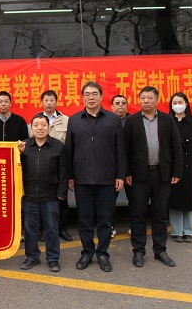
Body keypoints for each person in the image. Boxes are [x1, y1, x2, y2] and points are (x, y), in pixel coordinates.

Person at [66, 81, 125, 272]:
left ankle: (102, 254)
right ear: (82, 97)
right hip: (82, 179)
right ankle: (87, 252)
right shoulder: (74, 120)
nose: (91, 97)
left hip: (107, 178)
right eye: (87, 94)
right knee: (84, 220)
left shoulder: (113, 119)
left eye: (94, 94)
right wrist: (70, 176)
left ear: (101, 96)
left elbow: (120, 149)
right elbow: (70, 150)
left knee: (105, 220)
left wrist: (120, 175)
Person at [124, 86, 182, 268]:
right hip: (138, 176)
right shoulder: (132, 121)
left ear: (157, 100)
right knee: (138, 215)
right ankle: (138, 251)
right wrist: (126, 172)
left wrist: (176, 172)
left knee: (160, 214)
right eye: (143, 98)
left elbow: (176, 146)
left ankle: (160, 250)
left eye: (150, 97)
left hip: (162, 174)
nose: (146, 101)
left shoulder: (167, 120)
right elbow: (125, 150)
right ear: (139, 100)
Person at [18, 114, 69, 272]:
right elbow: (14, 168)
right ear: (31, 128)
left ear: (49, 127)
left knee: (51, 229)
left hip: (51, 196)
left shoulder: (58, 146)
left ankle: (53, 259)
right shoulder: (24, 146)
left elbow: (64, 171)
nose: (39, 128)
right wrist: (18, 154)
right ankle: (32, 256)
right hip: (29, 195)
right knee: (30, 229)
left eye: (43, 125)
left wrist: (61, 192)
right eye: (36, 125)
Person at [29, 90, 73, 242]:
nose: (49, 103)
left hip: (60, 163)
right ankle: (43, 229)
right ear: (41, 102)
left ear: (56, 101)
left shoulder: (66, 120)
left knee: (62, 200)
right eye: (46, 100)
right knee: (42, 201)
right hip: (42, 164)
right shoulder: (35, 120)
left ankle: (62, 228)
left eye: (51, 100)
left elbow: (70, 142)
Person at [168, 92, 192, 243]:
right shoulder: (167, 121)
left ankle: (188, 232)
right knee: (174, 199)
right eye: (174, 103)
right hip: (173, 166)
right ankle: (176, 231)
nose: (177, 105)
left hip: (190, 165)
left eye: (180, 102)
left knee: (190, 199)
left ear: (186, 104)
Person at [110, 94, 132, 237]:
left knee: (134, 199)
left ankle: (134, 225)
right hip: (113, 167)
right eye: (117, 103)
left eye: (123, 103)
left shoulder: (134, 121)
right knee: (109, 199)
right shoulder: (107, 121)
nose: (120, 106)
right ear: (111, 106)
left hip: (131, 167)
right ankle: (110, 226)